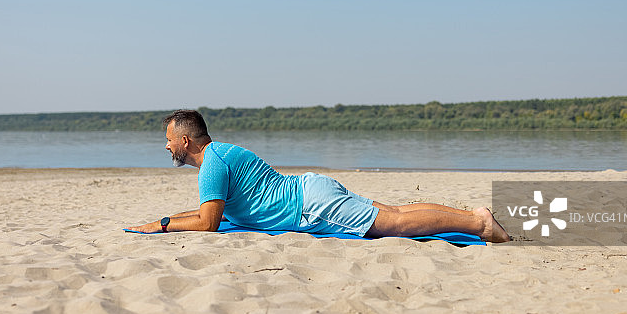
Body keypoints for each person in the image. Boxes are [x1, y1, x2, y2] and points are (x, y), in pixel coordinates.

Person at [127, 109, 510, 242]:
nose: (166, 147)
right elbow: (207, 213)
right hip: (311, 189)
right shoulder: (223, 153)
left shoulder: (212, 163)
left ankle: (478, 223)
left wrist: (163, 225)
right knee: (392, 211)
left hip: (312, 205)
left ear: (185, 138)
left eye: (168, 140)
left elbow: (209, 224)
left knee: (391, 222)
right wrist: (165, 220)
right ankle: (475, 217)